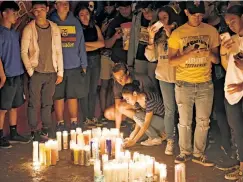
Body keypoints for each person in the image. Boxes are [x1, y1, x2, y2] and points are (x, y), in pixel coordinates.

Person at [168, 1, 220, 166]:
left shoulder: (211, 31)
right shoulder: (178, 33)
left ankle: (198, 153)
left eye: (200, 15)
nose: (197, 18)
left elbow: (217, 59)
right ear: (186, 12)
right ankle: (185, 152)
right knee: (184, 121)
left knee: (204, 121)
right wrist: (188, 54)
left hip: (205, 82)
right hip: (184, 83)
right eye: (193, 14)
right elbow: (171, 61)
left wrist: (208, 54)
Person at [21, 1, 63, 141]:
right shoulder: (29, 28)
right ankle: (33, 130)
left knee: (48, 103)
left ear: (47, 9)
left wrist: (60, 72)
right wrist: (31, 71)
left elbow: (58, 51)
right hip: (36, 72)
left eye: (42, 9)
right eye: (36, 10)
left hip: (51, 72)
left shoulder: (54, 27)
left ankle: (46, 128)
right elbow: (24, 52)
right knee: (34, 103)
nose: (39, 12)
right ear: (32, 11)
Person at [145, 5, 179, 156]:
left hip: (181, 76)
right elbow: (151, 57)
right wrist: (151, 38)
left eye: (165, 18)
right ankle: (171, 139)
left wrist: (170, 33)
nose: (162, 21)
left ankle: (186, 140)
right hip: (164, 76)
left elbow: (182, 51)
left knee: (184, 110)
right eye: (160, 19)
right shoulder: (158, 37)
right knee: (170, 110)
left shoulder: (180, 32)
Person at [50, 1, 88, 131]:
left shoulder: (75, 21)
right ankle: (60, 123)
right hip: (56, 68)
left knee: (73, 96)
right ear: (55, 6)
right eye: (61, 3)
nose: (64, 5)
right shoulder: (51, 21)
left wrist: (84, 64)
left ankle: (73, 123)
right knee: (58, 96)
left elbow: (81, 44)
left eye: (66, 3)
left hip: (74, 66)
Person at [0, 1, 30, 148]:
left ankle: (13, 132)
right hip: (7, 75)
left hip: (18, 74)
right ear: (4, 13)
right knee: (3, 107)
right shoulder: (0, 33)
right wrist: (2, 75)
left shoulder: (13, 32)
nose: (16, 16)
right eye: (14, 13)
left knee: (15, 105)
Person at [220, 5, 243, 181]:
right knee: (237, 131)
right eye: (228, 23)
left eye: (233, 21)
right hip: (231, 92)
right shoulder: (233, 40)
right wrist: (223, 52)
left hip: (240, 90)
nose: (231, 25)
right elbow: (228, 67)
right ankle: (241, 166)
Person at [104, 63, 159, 132]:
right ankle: (136, 121)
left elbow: (152, 100)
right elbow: (117, 107)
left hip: (148, 106)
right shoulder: (117, 84)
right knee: (109, 113)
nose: (120, 81)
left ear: (127, 73)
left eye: (121, 78)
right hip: (135, 105)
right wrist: (117, 130)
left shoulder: (141, 79)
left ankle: (142, 123)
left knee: (123, 107)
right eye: (117, 79)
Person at [75, 5, 104, 127]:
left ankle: (92, 116)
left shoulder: (95, 27)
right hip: (83, 61)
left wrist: (85, 45)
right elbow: (77, 47)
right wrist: (93, 45)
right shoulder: (77, 29)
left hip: (96, 60)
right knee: (84, 90)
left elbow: (102, 43)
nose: (85, 17)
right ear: (77, 16)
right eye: (81, 14)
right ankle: (86, 117)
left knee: (93, 90)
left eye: (86, 13)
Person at [122, 82, 165, 148]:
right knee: (139, 138)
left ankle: (155, 138)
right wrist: (132, 137)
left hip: (163, 124)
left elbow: (146, 123)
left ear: (135, 93)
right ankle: (157, 136)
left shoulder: (149, 100)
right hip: (154, 124)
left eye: (127, 99)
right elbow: (139, 121)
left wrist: (133, 142)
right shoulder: (137, 102)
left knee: (136, 116)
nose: (127, 101)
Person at [127, 2, 158, 88]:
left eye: (148, 10)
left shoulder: (161, 16)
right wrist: (130, 62)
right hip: (140, 54)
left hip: (155, 57)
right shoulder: (137, 16)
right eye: (143, 11)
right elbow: (132, 39)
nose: (146, 14)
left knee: (154, 85)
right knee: (141, 85)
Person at [98, 1, 117, 121]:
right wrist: (101, 28)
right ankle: (103, 112)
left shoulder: (118, 17)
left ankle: (112, 111)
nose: (108, 8)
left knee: (113, 86)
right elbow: (97, 37)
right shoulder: (100, 18)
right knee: (104, 85)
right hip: (104, 55)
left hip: (116, 54)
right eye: (106, 6)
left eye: (110, 5)